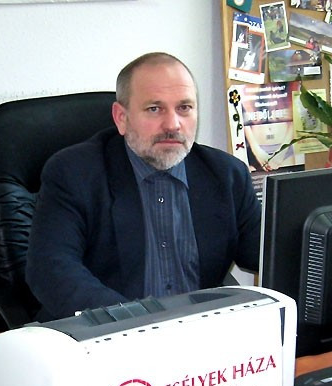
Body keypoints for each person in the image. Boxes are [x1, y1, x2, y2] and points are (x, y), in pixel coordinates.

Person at [25, 52, 261, 322]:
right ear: (121, 118)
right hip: (107, 333)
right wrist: (137, 321)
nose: (173, 124)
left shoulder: (226, 175)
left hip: (199, 332)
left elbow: (267, 253)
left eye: (184, 107)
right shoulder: (74, 173)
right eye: (154, 109)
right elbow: (51, 271)